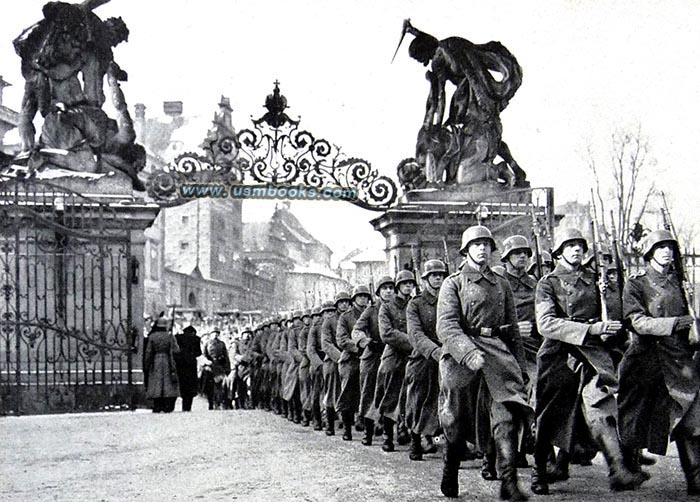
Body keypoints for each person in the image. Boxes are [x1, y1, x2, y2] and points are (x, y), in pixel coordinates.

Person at [532, 228, 646, 495]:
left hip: (593, 354)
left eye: (579, 246)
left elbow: (615, 317)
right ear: (559, 252)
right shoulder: (548, 283)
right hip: (559, 355)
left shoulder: (595, 280)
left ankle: (618, 469)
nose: (576, 250)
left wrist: (611, 295)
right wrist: (590, 330)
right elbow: (546, 324)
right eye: (569, 246)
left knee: (601, 406)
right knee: (549, 415)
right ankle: (540, 471)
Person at [437, 225, 531, 500]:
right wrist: (468, 353)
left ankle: (509, 482)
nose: (482, 249)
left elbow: (512, 328)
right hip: (460, 358)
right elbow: (447, 326)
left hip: (497, 355)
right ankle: (450, 469)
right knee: (454, 420)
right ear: (466, 251)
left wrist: (520, 368)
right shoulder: (453, 283)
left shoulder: (501, 283)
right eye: (476, 245)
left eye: (486, 245)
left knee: (506, 416)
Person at [619, 229, 700, 495]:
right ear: (650, 252)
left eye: (670, 248)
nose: (667, 252)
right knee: (635, 416)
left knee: (689, 415)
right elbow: (636, 321)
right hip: (645, 358)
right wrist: (675, 323)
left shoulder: (682, 282)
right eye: (661, 247)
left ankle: (695, 478)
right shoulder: (636, 283)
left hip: (677, 358)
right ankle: (628, 468)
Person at [405, 259, 447, 461]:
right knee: (418, 399)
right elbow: (415, 334)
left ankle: (446, 442)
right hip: (422, 358)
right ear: (425, 279)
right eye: (433, 275)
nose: (438, 278)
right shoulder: (415, 304)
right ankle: (415, 440)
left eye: (441, 275)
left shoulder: (450, 300)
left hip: (447, 357)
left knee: (447, 400)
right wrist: (434, 351)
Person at [376, 269, 416, 452]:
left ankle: (406, 429)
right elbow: (386, 333)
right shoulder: (387, 307)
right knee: (390, 393)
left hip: (414, 354)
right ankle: (386, 434)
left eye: (411, 284)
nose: (408, 287)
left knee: (412, 394)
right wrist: (413, 341)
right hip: (394, 354)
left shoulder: (416, 303)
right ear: (398, 286)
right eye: (405, 284)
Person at [352, 276, 392, 446]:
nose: (389, 291)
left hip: (391, 353)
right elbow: (356, 330)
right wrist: (365, 341)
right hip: (373, 355)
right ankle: (368, 431)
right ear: (378, 292)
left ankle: (389, 432)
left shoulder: (399, 308)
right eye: (385, 288)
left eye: (391, 288)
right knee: (369, 392)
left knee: (391, 392)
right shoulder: (371, 310)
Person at [336, 285, 372, 441]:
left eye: (365, 296)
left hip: (370, 357)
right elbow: (341, 339)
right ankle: (347, 428)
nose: (363, 299)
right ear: (354, 299)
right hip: (350, 359)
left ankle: (367, 429)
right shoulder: (346, 317)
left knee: (368, 392)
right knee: (348, 393)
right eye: (360, 296)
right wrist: (358, 346)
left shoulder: (372, 313)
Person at [321, 293, 350, 435]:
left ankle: (347, 427)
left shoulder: (352, 318)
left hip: (350, 359)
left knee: (347, 393)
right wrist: (340, 358)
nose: (344, 304)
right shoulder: (330, 321)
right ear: (337, 304)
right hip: (333, 361)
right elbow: (326, 344)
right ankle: (330, 424)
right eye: (341, 302)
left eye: (346, 302)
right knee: (332, 393)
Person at [144, 317, 180, 413]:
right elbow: (176, 350)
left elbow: (148, 352)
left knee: (157, 383)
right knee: (167, 383)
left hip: (156, 361)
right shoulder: (169, 336)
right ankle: (167, 405)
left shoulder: (152, 337)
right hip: (168, 360)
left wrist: (147, 364)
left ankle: (157, 405)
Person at [306, 306, 327, 431]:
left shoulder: (329, 326)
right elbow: (310, 349)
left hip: (329, 361)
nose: (318, 318)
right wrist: (318, 364)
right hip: (317, 364)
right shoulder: (314, 330)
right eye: (315, 316)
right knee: (316, 392)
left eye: (320, 315)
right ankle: (317, 419)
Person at [202, 327, 231, 410]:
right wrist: (207, 362)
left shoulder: (222, 344)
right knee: (209, 387)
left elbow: (226, 356)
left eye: (217, 333)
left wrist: (227, 368)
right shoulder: (207, 344)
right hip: (210, 367)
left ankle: (219, 402)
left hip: (219, 367)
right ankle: (211, 403)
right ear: (210, 334)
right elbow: (204, 355)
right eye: (213, 333)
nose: (215, 335)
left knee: (220, 386)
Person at [174, 325, 201, 412]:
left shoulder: (178, 337)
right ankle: (187, 407)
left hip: (180, 364)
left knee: (180, 384)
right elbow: (199, 352)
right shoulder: (196, 339)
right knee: (190, 388)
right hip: (191, 365)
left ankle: (173, 406)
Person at [297, 310, 313, 426]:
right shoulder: (303, 332)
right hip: (307, 362)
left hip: (317, 360)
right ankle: (305, 414)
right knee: (306, 390)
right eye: (305, 318)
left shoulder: (317, 329)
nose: (308, 319)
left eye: (310, 317)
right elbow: (302, 349)